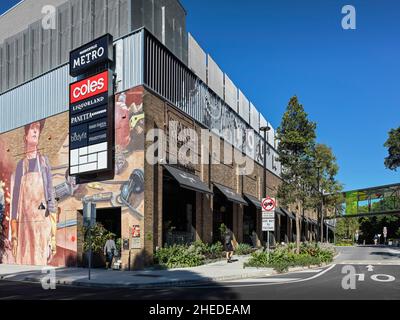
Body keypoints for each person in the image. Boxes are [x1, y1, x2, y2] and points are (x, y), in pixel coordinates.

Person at [10, 120, 57, 266]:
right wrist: (14, 233)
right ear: (26, 135)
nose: (35, 131)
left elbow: (50, 193)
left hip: (41, 224)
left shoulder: (44, 163)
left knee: (39, 263)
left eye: (37, 128)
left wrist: (53, 235)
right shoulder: (20, 166)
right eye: (32, 128)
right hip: (24, 228)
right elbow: (15, 199)